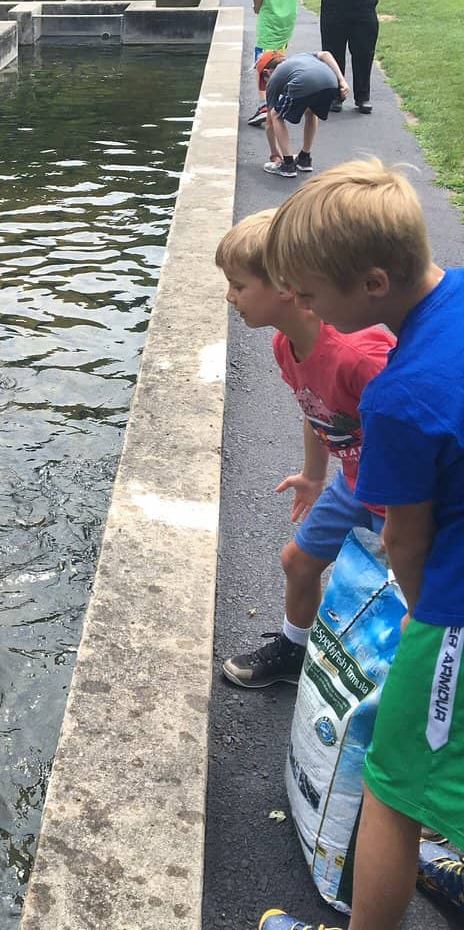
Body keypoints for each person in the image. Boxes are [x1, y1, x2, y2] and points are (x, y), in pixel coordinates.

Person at [257, 158, 464, 930]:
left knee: (394, 782)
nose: (302, 306)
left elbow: (405, 541)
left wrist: (422, 619)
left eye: (311, 294)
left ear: (372, 284)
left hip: (455, 607)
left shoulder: (397, 397)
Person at [216, 208, 393, 690]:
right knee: (298, 560)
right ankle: (296, 651)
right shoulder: (284, 345)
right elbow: (313, 409)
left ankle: (398, 691)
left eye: (238, 284)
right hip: (355, 482)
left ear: (285, 288)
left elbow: (408, 435)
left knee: (401, 599)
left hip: (403, 491)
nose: (230, 296)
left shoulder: (360, 355)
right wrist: (314, 476)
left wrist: (403, 517)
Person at [247, 0, 307, 128]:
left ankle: (265, 106)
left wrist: (256, 8)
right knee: (279, 60)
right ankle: (278, 101)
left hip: (269, 20)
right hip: (287, 21)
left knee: (262, 63)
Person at [259, 50, 349, 178]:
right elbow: (326, 54)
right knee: (311, 111)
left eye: (265, 81)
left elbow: (269, 124)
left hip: (305, 81)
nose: (267, 84)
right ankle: (304, 158)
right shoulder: (300, 58)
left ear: (267, 72)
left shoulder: (273, 80)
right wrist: (342, 81)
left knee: (276, 116)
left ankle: (288, 164)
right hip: (331, 82)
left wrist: (275, 154)